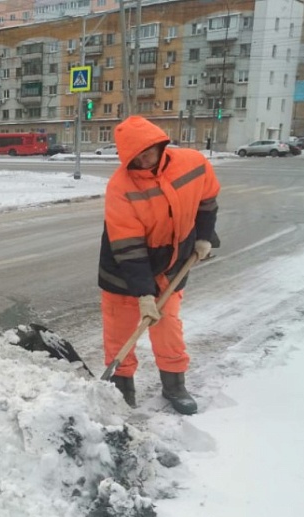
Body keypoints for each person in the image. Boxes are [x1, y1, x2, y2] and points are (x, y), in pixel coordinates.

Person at [98, 116, 220, 415]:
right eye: (134, 156)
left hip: (173, 264)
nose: (143, 159)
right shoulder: (120, 187)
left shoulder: (193, 163)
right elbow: (127, 246)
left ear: (160, 144)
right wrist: (142, 293)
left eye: (147, 151)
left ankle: (174, 385)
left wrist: (204, 237)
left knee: (168, 327)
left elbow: (207, 200)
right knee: (121, 331)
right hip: (124, 269)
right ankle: (121, 389)